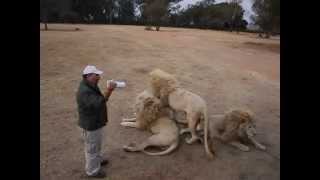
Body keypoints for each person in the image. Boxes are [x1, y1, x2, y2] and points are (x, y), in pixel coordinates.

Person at [76, 65, 116, 178]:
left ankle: (97, 160)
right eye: (96, 75)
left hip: (95, 123)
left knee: (96, 145)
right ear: (88, 76)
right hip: (90, 125)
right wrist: (109, 90)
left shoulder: (90, 85)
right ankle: (92, 171)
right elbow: (99, 103)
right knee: (91, 149)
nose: (99, 77)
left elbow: (99, 100)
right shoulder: (85, 91)